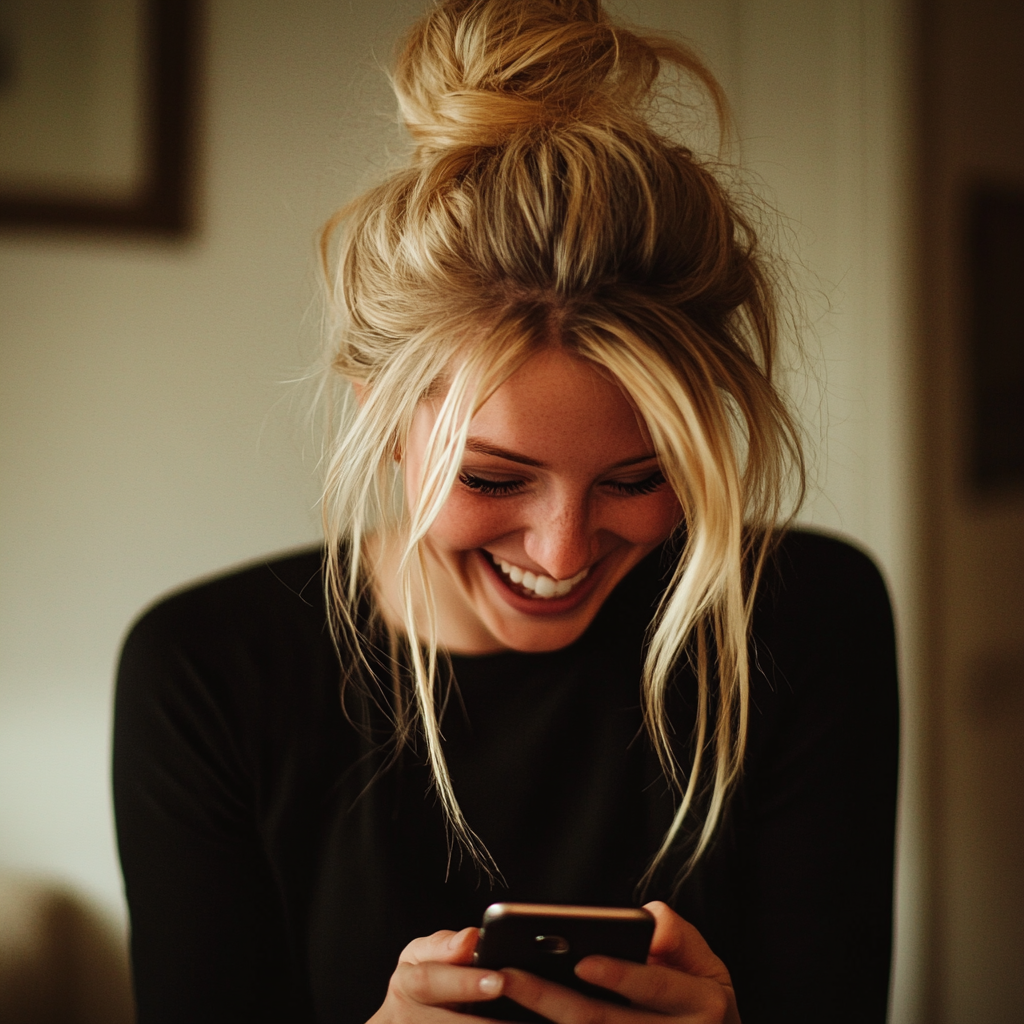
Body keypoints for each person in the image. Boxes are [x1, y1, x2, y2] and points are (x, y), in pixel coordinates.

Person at [113, 1, 899, 1022]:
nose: (562, 550)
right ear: (382, 418)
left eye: (636, 477)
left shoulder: (802, 618)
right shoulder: (206, 673)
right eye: (491, 479)